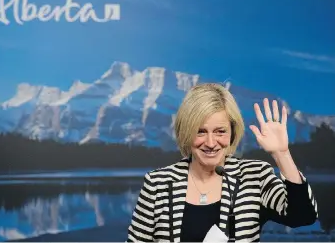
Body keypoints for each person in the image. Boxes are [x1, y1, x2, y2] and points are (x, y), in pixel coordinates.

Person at [126, 83, 318, 242]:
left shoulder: (254, 176)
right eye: (200, 131)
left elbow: (303, 216)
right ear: (186, 132)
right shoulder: (157, 183)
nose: (211, 143)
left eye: (220, 131)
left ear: (233, 132)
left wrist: (282, 154)